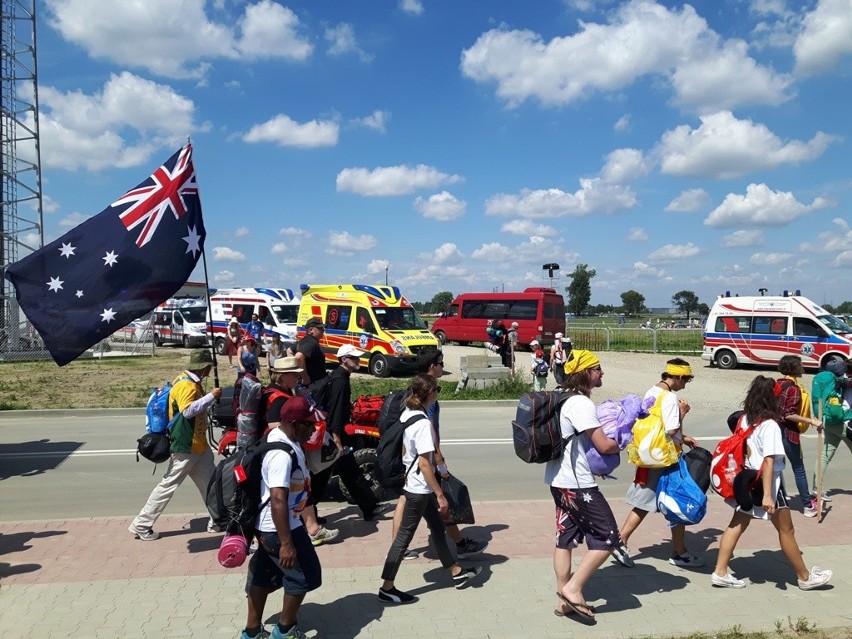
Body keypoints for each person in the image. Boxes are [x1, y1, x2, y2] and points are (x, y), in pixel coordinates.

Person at [711, 375, 832, 591]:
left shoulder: (745, 418)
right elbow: (769, 460)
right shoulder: (770, 426)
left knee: (737, 523)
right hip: (768, 484)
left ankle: (720, 571)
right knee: (787, 530)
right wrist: (768, 495)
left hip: (746, 480)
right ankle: (804, 577)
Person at [378, 374, 484, 604]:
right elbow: (426, 464)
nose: (438, 394)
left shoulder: (408, 412)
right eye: (438, 390)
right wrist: (439, 494)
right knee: (403, 539)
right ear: (431, 394)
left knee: (438, 529)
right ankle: (387, 587)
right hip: (419, 489)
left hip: (414, 484)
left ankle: (456, 572)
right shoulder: (423, 424)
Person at [546, 349, 622, 623]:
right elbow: (603, 444)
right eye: (597, 368)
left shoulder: (563, 398)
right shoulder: (581, 404)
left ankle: (563, 601)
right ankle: (573, 589)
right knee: (609, 536)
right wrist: (626, 441)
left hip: (558, 480)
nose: (602, 372)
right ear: (586, 373)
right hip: (577, 485)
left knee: (564, 539)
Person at [390, 348, 488, 560]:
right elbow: (429, 430)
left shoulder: (415, 389)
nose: (443, 367)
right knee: (441, 500)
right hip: (424, 460)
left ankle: (399, 548)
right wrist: (440, 460)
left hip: (411, 462)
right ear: (432, 366)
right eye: (441, 363)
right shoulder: (428, 394)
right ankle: (459, 547)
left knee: (406, 501)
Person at [240, 396, 322, 639]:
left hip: (274, 526)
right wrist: (286, 543)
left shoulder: (283, 438)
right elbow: (277, 499)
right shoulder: (281, 455)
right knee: (304, 576)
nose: (313, 430)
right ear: (295, 423)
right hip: (280, 529)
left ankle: (252, 633)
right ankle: (284, 632)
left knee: (263, 577)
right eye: (309, 425)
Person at [614, 358, 703, 569]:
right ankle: (621, 541)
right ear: (679, 377)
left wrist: (685, 437)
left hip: (649, 454)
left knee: (658, 501)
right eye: (686, 381)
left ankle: (678, 550)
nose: (685, 385)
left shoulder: (652, 392)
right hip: (665, 458)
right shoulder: (671, 398)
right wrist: (683, 413)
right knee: (666, 500)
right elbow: (672, 431)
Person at [129, 350, 222, 540]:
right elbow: (188, 411)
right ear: (204, 367)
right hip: (186, 446)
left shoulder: (184, 378)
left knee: (212, 485)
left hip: (198, 446)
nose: (210, 371)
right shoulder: (187, 385)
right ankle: (141, 524)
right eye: (209, 367)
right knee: (167, 486)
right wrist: (211, 396)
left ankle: (218, 520)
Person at [307, 344, 391, 522]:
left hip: (333, 434)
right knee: (321, 478)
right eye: (354, 358)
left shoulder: (339, 377)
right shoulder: (340, 381)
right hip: (333, 435)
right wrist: (337, 439)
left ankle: (369, 508)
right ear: (344, 360)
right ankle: (307, 516)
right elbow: (336, 411)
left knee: (349, 472)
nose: (357, 360)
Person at [265, 357, 339, 547]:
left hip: (285, 448)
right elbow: (273, 424)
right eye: (294, 375)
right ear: (282, 376)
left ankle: (311, 527)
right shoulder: (278, 398)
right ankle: (312, 530)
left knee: (302, 487)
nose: (298, 378)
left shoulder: (282, 392)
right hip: (282, 449)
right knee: (299, 487)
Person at [776, 355, 823, 517]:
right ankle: (807, 505)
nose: (803, 368)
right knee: (798, 468)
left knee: (776, 467)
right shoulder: (794, 388)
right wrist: (811, 421)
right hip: (788, 433)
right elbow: (788, 414)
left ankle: (777, 499)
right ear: (795, 368)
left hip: (774, 431)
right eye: (801, 365)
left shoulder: (777, 384)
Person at [811, 359, 852, 501]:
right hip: (844, 422)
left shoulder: (826, 380)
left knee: (824, 456)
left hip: (828, 421)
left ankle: (816, 489)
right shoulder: (843, 382)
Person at [294, 317, 327, 392]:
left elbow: (289, 351)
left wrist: (297, 372)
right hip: (311, 385)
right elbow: (298, 357)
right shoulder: (311, 342)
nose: (323, 330)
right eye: (320, 328)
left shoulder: (303, 341)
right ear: (310, 330)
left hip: (306, 385)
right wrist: (305, 377)